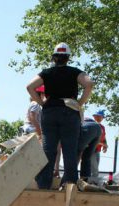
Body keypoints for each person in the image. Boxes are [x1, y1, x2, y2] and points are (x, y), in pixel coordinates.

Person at [27, 42, 94, 189]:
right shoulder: (75, 72)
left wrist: (41, 103)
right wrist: (80, 103)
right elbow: (89, 84)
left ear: (54, 58)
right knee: (70, 149)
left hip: (50, 112)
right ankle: (69, 185)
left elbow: (30, 86)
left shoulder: (47, 72)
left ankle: (44, 185)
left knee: (48, 150)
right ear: (68, 58)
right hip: (69, 112)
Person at [91, 109, 108, 182]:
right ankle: (92, 184)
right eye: (97, 116)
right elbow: (91, 140)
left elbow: (104, 138)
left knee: (95, 169)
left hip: (97, 151)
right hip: (91, 150)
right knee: (94, 170)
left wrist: (105, 145)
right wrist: (102, 144)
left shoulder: (102, 127)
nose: (99, 118)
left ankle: (93, 184)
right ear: (94, 117)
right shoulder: (92, 126)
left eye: (101, 117)